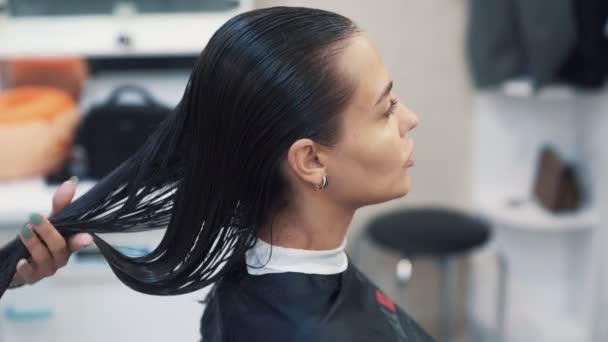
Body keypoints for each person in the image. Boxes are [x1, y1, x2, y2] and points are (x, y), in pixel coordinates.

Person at [6, 6, 431, 341]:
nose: (410, 118)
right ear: (311, 160)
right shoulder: (298, 323)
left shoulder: (262, 280)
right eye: (386, 109)